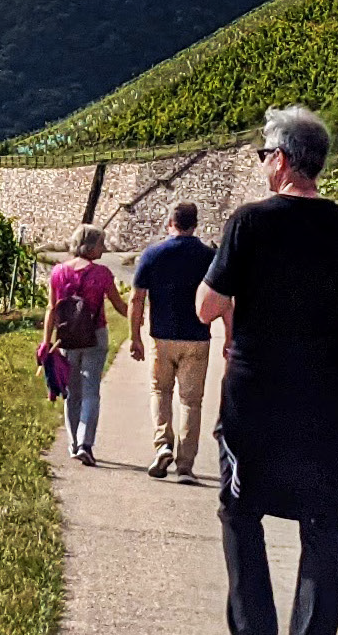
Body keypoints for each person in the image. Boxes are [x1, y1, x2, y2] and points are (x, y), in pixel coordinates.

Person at [192, 107, 338, 635]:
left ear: (279, 160)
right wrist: (333, 312)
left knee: (239, 511)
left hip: (255, 395)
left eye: (262, 156)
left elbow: (206, 306)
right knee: (323, 522)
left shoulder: (249, 223)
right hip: (324, 396)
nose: (261, 166)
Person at [131, 203, 216, 480]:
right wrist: (230, 333)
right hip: (197, 337)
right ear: (195, 224)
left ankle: (162, 445)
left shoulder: (153, 254)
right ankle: (185, 466)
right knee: (191, 401)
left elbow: (137, 298)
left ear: (170, 222)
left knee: (160, 391)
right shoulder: (209, 257)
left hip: (162, 336)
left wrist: (135, 336)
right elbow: (225, 299)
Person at [46, 225, 135, 466]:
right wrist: (137, 320)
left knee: (71, 393)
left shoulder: (58, 272)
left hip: (67, 339)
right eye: (101, 244)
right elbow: (118, 304)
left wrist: (46, 343)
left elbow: (52, 309)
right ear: (90, 246)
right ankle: (86, 443)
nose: (104, 249)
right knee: (91, 391)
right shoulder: (102, 274)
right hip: (95, 336)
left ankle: (74, 444)